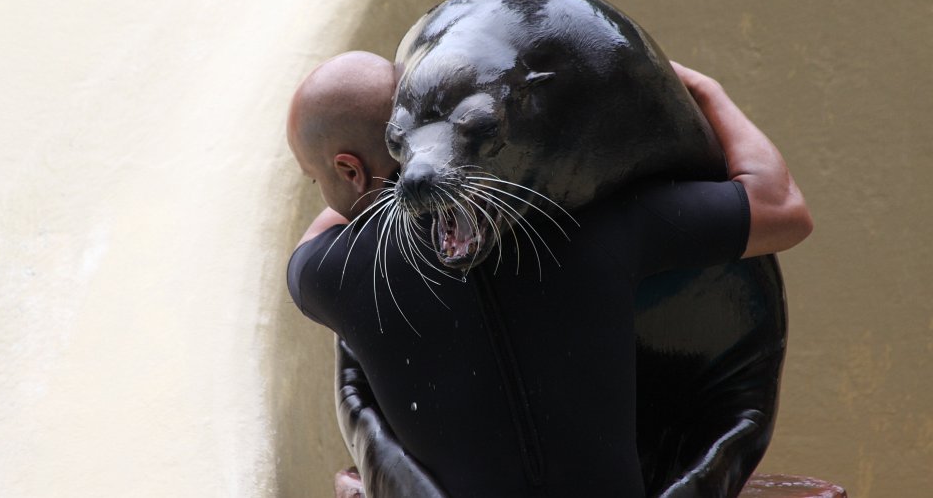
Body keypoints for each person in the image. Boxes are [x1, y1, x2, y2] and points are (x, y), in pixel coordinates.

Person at [286, 52, 812, 498]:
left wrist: (380, 173)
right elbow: (783, 209)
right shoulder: (592, 222)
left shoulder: (334, 274)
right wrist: (700, 88)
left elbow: (328, 228)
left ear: (349, 169)